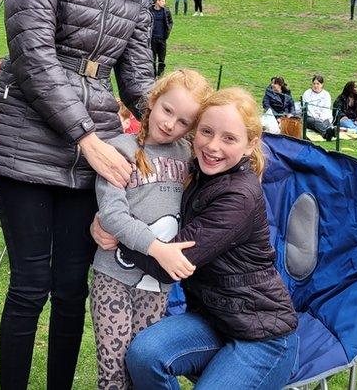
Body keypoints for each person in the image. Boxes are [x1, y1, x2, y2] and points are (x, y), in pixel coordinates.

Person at [0, 0, 157, 389]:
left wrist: (178, 126)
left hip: (93, 141)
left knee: (73, 285)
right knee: (30, 283)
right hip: (28, 136)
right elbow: (32, 52)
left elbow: (138, 75)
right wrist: (85, 137)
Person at [100, 88, 298, 389]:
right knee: (144, 354)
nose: (213, 146)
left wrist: (118, 234)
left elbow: (171, 264)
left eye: (229, 138)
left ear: (250, 145)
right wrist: (103, 215)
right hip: (215, 320)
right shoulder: (198, 172)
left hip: (263, 336)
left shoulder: (238, 196)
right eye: (206, 132)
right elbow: (146, 196)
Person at [91, 69, 211, 390]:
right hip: (113, 279)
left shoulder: (189, 158)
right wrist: (159, 249)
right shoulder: (120, 149)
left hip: (157, 287)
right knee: (113, 373)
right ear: (152, 101)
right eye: (167, 110)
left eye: (184, 122)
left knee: (140, 368)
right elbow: (113, 215)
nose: (171, 124)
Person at [301, 74, 335, 140]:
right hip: (310, 117)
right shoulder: (307, 93)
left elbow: (326, 108)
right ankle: (326, 133)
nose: (315, 86)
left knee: (326, 121)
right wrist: (316, 118)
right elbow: (309, 109)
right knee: (316, 122)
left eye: (318, 84)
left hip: (323, 117)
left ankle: (329, 132)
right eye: (314, 83)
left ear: (322, 85)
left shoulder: (326, 94)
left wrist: (321, 118)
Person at [149, 0, 173, 77]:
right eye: (163, 1)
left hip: (162, 39)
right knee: (152, 59)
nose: (164, 3)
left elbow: (170, 21)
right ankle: (153, 76)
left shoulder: (166, 11)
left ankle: (160, 76)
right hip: (152, 39)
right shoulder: (149, 10)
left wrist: (168, 30)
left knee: (162, 59)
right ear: (157, 1)